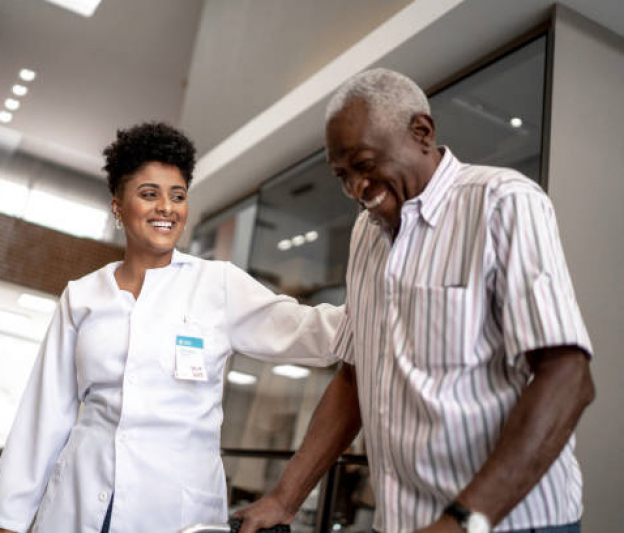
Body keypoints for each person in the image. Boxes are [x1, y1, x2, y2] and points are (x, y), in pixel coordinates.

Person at [236, 69, 595, 533]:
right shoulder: (366, 234)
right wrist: (285, 499)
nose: (356, 189)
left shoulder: (503, 202)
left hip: (507, 521)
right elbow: (353, 378)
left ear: (422, 133)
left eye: (365, 165)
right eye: (341, 175)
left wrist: (464, 521)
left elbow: (568, 376)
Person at [0, 122, 343, 533]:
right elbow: (45, 412)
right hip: (81, 503)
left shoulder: (217, 285)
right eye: (149, 194)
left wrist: (384, 311)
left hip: (175, 511)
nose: (166, 208)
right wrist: (8, 520)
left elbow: (310, 332)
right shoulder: (82, 296)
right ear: (118, 207)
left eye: (178, 196)